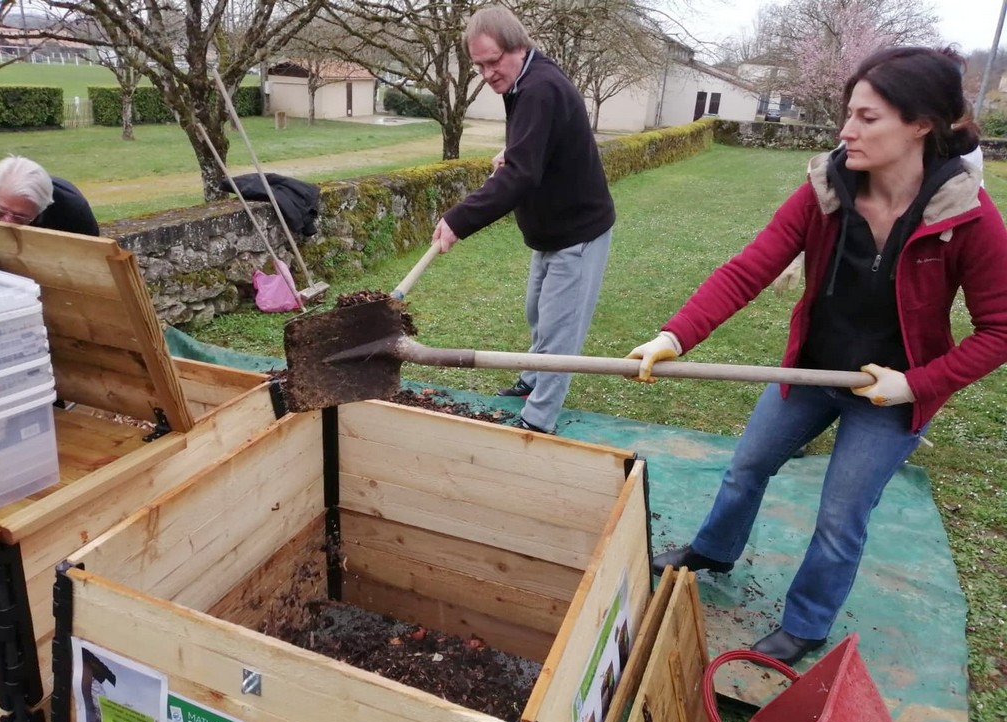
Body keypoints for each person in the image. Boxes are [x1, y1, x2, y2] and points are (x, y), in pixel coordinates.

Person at [626, 46, 1007, 665]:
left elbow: (1000, 329)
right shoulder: (825, 191)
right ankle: (713, 551)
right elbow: (748, 270)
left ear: (920, 125)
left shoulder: (966, 216)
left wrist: (914, 386)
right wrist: (674, 337)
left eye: (867, 117)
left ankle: (805, 623)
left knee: (840, 515)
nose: (846, 130)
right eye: (848, 113)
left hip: (891, 395)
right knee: (747, 466)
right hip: (812, 369)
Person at [431, 4, 615, 434]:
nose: (487, 74)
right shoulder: (524, 82)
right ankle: (531, 378)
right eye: (479, 66)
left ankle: (537, 420)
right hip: (548, 231)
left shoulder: (539, 88)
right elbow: (539, 144)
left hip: (577, 232)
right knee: (538, 313)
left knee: (560, 330)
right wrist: (516, 150)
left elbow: (522, 175)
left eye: (493, 61)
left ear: (518, 47)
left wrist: (458, 220)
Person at [0, 155, 99, 236]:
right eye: (1, 210)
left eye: (19, 216)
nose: (7, 222)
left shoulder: (73, 210)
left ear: (42, 208)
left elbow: (91, 253)